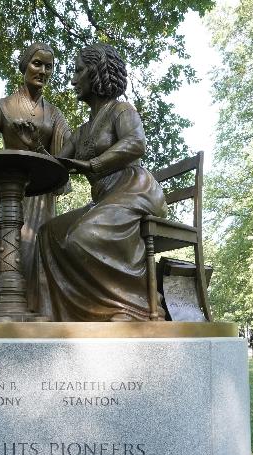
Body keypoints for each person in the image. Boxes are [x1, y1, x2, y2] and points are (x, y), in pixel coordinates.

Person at [38, 43, 166, 322]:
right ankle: (69, 313)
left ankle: (135, 306)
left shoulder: (122, 110)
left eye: (78, 71)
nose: (72, 80)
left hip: (133, 189)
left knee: (83, 236)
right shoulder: (82, 130)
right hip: (105, 199)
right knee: (48, 233)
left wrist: (95, 164)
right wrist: (32, 145)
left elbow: (136, 143)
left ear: (96, 73)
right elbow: (56, 162)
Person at [0, 42, 70, 314]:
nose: (43, 71)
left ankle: (34, 310)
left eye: (49, 66)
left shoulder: (55, 115)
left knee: (36, 248)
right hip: (4, 190)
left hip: (39, 192)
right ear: (24, 65)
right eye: (37, 63)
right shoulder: (2, 106)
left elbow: (63, 160)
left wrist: (37, 147)